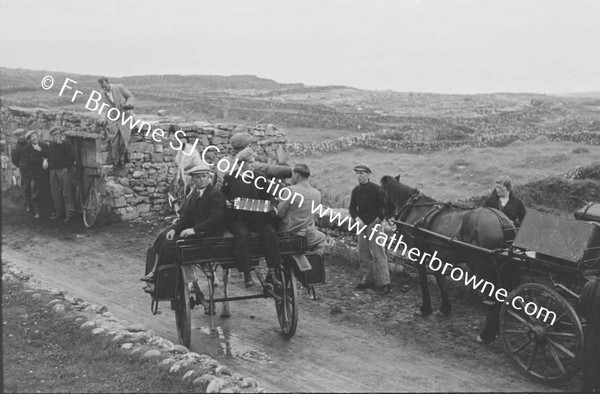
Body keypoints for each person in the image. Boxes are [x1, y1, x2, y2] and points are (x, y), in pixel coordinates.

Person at [219, 133, 292, 288]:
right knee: (242, 235)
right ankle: (247, 274)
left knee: (270, 232)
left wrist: (272, 206)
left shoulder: (259, 176)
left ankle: (272, 271)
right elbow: (222, 196)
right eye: (250, 162)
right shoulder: (231, 177)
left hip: (254, 217)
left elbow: (270, 195)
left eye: (253, 162)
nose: (253, 165)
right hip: (237, 217)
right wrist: (228, 203)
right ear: (242, 164)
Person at [142, 162, 225, 282]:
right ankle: (156, 274)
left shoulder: (215, 195)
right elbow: (186, 218)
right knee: (163, 238)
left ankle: (162, 280)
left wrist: (194, 230)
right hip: (198, 233)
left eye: (204, 176)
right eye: (198, 177)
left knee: (170, 246)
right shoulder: (195, 194)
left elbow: (215, 220)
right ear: (193, 179)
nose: (201, 180)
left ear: (209, 177)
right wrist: (174, 229)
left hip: (209, 235)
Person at [349, 163, 391, 295]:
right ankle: (368, 280)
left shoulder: (377, 189)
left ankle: (384, 283)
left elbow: (385, 207)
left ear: (368, 174)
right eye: (357, 173)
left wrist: (379, 218)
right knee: (363, 253)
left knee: (379, 254)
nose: (359, 176)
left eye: (362, 173)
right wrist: (357, 220)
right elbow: (352, 208)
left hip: (375, 225)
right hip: (362, 226)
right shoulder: (356, 190)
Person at [276, 163, 326, 251]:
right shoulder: (317, 194)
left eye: (292, 175)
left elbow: (279, 214)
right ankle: (314, 260)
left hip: (289, 233)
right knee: (321, 238)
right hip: (308, 235)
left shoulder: (290, 191)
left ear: (296, 175)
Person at [98, 77, 135, 167]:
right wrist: (104, 118)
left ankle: (122, 157)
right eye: (102, 87)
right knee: (113, 137)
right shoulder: (102, 93)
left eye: (105, 86)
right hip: (113, 116)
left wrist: (128, 104)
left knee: (124, 135)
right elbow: (105, 107)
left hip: (125, 115)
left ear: (108, 82)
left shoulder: (119, 87)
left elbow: (130, 96)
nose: (104, 89)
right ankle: (116, 159)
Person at [43, 127, 75, 222]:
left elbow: (71, 157)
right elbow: (50, 156)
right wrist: (46, 160)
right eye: (54, 135)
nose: (57, 136)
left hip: (63, 171)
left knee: (66, 192)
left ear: (61, 135)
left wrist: (67, 168)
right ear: (52, 136)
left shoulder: (67, 145)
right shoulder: (51, 145)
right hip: (53, 171)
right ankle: (59, 214)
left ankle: (69, 215)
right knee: (55, 193)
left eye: (58, 134)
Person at [578, 277, 600, 392]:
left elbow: (581, 307)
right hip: (594, 331)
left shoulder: (590, 285)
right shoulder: (591, 286)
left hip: (592, 331)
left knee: (589, 365)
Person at [22, 130, 48, 219]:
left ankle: (47, 211)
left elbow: (48, 155)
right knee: (35, 193)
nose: (34, 138)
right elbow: (28, 162)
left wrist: (44, 157)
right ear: (29, 140)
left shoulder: (43, 146)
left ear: (37, 136)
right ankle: (37, 211)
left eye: (35, 136)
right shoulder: (27, 149)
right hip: (34, 175)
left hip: (44, 174)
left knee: (46, 191)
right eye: (32, 137)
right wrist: (41, 159)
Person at [10, 128, 33, 211]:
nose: (21, 137)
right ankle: (28, 205)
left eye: (22, 135)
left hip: (33, 168)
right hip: (24, 170)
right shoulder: (15, 149)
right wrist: (22, 165)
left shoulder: (30, 144)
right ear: (16, 137)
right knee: (26, 187)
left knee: (35, 186)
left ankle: (37, 204)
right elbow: (15, 161)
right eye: (19, 136)